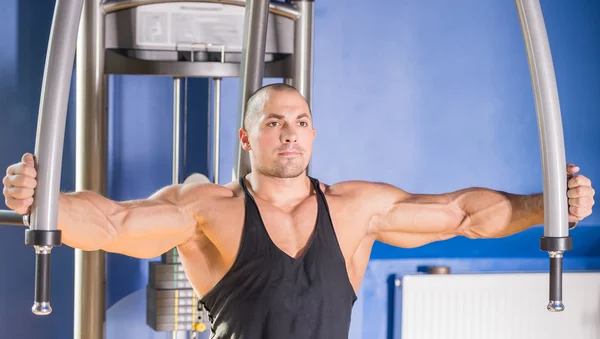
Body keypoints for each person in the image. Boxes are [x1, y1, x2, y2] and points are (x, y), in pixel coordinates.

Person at [2, 83, 595, 339]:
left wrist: (551, 207)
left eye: (301, 123)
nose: (290, 135)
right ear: (246, 138)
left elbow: (463, 214)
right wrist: (41, 203)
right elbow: (113, 224)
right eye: (275, 123)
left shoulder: (357, 208)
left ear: (314, 135)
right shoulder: (211, 209)